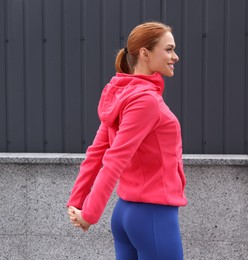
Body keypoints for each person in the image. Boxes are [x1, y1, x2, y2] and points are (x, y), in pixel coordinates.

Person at [66, 22, 187, 260]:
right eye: (169, 49)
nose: (176, 56)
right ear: (145, 53)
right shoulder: (146, 101)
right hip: (153, 216)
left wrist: (78, 201)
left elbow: (96, 153)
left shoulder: (123, 94)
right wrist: (88, 213)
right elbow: (114, 158)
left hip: (125, 214)